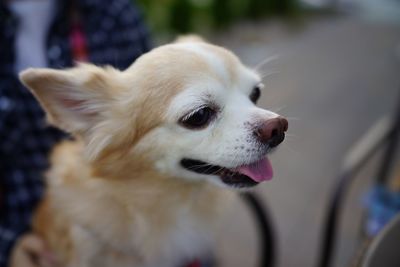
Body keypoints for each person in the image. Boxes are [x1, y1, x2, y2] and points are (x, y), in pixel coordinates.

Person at [0, 0, 150, 266]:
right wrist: (8, 244)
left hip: (128, 227)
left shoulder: (112, 12)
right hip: (24, 230)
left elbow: (151, 126)